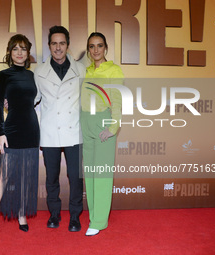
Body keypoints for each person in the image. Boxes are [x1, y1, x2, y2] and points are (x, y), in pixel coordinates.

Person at [0, 34, 40, 240]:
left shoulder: (32, 76)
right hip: (13, 130)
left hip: (32, 129)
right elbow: (0, 105)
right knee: (4, 176)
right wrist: (1, 133)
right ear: (10, 52)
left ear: (28, 53)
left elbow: (35, 99)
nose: (19, 53)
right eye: (15, 49)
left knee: (26, 176)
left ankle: (21, 214)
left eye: (23, 49)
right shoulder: (3, 75)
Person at [34, 26, 86, 232]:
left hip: (74, 131)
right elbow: (33, 99)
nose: (58, 47)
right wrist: (14, 103)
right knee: (52, 177)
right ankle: (54, 214)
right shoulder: (39, 72)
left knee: (75, 177)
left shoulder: (81, 70)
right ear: (49, 46)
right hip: (49, 132)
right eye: (54, 43)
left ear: (68, 45)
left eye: (62, 43)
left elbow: (89, 100)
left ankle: (75, 216)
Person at [80, 32, 124, 236]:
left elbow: (118, 101)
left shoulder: (113, 70)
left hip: (104, 122)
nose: (95, 50)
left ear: (105, 48)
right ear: (88, 50)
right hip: (86, 122)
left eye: (99, 46)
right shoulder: (87, 70)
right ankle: (94, 215)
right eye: (91, 46)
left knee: (103, 174)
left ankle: (99, 221)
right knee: (90, 173)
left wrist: (113, 128)